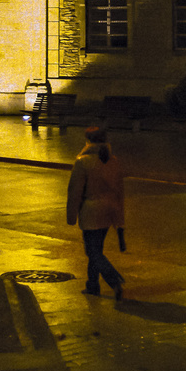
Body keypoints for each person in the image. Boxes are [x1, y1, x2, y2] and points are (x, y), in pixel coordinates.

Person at [67, 127, 125, 300]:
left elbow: (75, 192)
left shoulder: (82, 161)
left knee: (92, 252)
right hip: (108, 212)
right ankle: (92, 285)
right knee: (96, 249)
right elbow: (119, 192)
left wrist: (71, 216)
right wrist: (120, 220)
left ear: (88, 141)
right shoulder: (112, 160)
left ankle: (114, 280)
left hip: (91, 212)